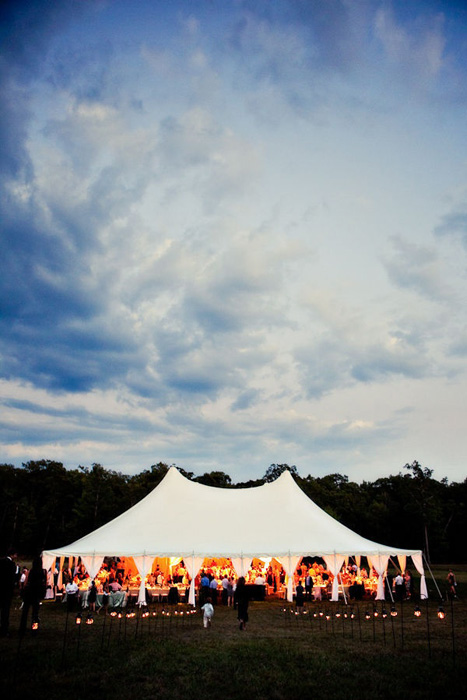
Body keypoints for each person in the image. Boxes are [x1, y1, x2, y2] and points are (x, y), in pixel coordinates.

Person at [19, 555, 46, 634]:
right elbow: (45, 583)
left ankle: (22, 628)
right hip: (37, 593)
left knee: (25, 611)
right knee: (35, 612)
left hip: (29, 592)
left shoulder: (30, 571)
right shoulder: (43, 572)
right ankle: (34, 628)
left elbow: (26, 582)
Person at [0, 548, 18, 637]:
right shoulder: (11, 564)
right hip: (7, 590)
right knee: (5, 610)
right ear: (12, 555)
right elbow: (12, 578)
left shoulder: (1, 561)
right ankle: (4, 629)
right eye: (15, 555)